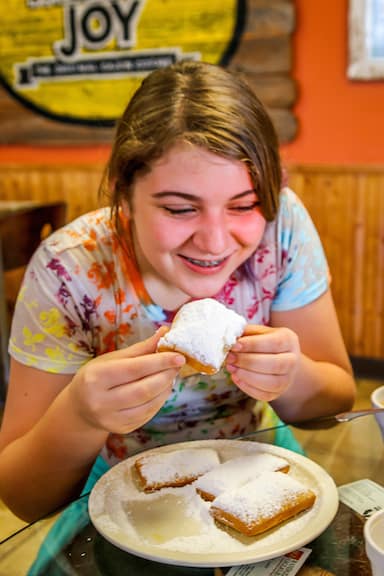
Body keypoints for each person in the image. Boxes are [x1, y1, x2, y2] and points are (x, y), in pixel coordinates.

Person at [0, 60, 355, 523]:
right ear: (121, 194)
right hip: (109, 483)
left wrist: (292, 378)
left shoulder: (281, 224)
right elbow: (24, 499)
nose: (215, 240)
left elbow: (338, 400)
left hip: (253, 461)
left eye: (244, 205)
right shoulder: (68, 270)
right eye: (180, 209)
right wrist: (81, 416)